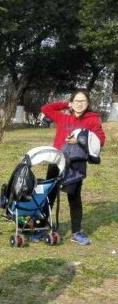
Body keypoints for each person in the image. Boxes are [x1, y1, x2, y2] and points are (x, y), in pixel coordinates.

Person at [40, 90, 106, 245]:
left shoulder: (92, 120)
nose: (80, 104)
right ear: (72, 102)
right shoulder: (63, 117)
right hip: (56, 160)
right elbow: (45, 109)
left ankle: (76, 232)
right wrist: (66, 104)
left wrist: (79, 140)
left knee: (74, 198)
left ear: (88, 103)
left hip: (75, 163)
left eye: (83, 101)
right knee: (49, 194)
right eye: (76, 101)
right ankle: (40, 226)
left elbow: (100, 140)